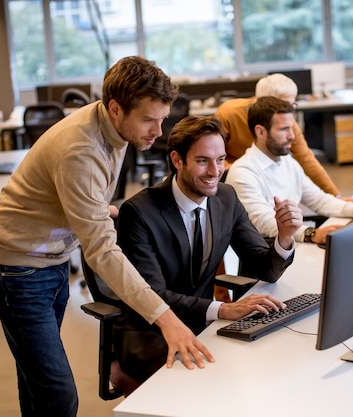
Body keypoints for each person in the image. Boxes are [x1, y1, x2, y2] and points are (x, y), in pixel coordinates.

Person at [0, 56, 213, 417]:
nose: (158, 131)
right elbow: (102, 251)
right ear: (116, 108)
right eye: (149, 120)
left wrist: (97, 210)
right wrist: (167, 320)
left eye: (162, 119)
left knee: (37, 386)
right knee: (57, 395)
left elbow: (78, 189)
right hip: (17, 270)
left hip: (50, 259)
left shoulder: (114, 127)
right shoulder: (81, 149)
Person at [113, 115, 301, 384]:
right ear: (177, 160)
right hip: (152, 332)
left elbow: (264, 268)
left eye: (221, 159)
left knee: (271, 369)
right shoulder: (140, 212)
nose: (215, 171)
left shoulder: (226, 198)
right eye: (203, 161)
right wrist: (223, 310)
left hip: (204, 324)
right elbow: (153, 294)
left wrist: (284, 237)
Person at [225, 96, 353, 245]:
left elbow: (317, 199)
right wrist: (310, 234)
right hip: (267, 255)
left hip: (291, 244)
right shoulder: (243, 172)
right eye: (284, 129)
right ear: (260, 132)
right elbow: (264, 222)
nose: (292, 136)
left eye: (292, 128)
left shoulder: (287, 161)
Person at [215, 73, 344, 198]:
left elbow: (306, 159)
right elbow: (212, 151)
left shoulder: (286, 120)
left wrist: (335, 196)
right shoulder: (229, 113)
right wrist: (227, 166)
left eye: (292, 105)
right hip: (232, 174)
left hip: (265, 172)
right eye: (284, 105)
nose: (288, 112)